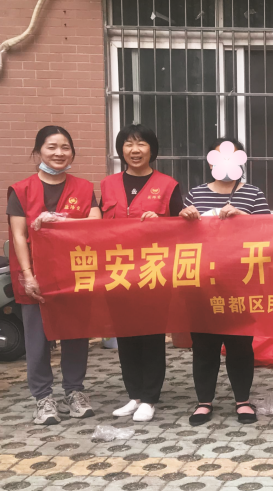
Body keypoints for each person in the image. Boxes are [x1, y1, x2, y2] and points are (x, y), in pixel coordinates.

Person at [7, 126, 101, 425]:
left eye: (65, 147)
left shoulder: (84, 188)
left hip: (74, 274)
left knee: (76, 335)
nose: (59, 153)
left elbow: (95, 223)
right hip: (35, 276)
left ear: (72, 153)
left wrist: (61, 223)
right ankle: (43, 397)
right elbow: (18, 236)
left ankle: (74, 391)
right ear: (38, 151)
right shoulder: (21, 190)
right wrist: (28, 275)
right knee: (37, 339)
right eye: (51, 147)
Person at [179, 138, 270, 426]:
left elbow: (269, 233)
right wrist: (183, 217)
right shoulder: (195, 194)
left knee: (240, 344)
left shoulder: (253, 193)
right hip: (202, 283)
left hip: (240, 282)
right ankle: (204, 402)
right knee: (203, 344)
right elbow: (180, 238)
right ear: (210, 162)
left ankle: (242, 401)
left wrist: (243, 216)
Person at [100, 124, 183, 422]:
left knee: (151, 335)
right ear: (121, 149)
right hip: (118, 272)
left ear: (152, 149)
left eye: (141, 144)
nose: (135, 150)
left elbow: (183, 229)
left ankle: (149, 397)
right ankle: (133, 395)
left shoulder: (169, 185)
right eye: (128, 144)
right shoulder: (108, 185)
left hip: (153, 272)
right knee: (126, 336)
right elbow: (95, 226)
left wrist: (161, 223)